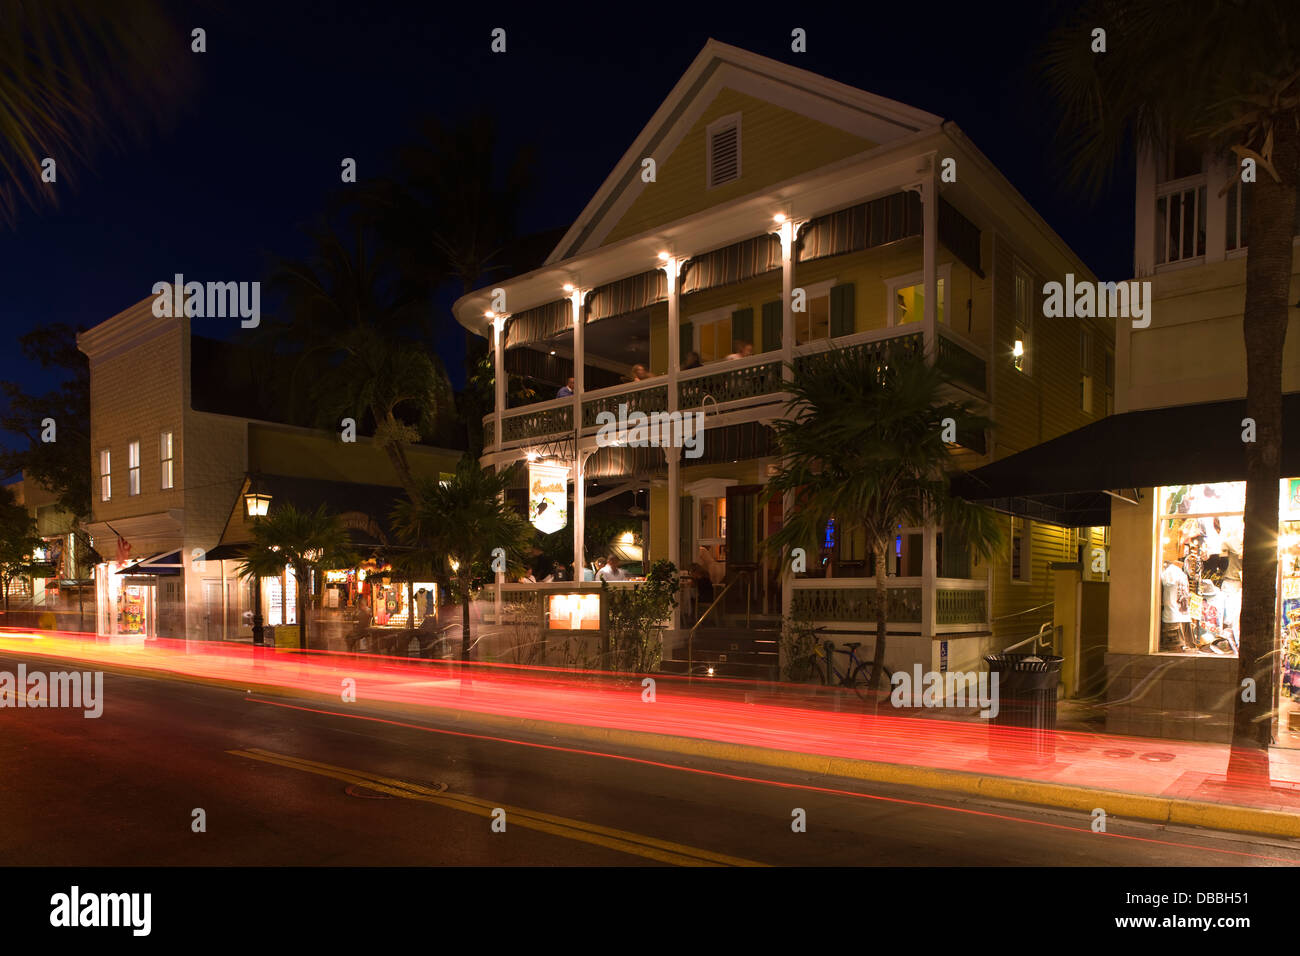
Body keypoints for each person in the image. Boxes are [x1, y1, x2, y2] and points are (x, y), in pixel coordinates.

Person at [1160, 555, 1193, 652]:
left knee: (1175, 650)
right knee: (1177, 650)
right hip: (1176, 615)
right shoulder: (1177, 573)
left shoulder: (1172, 572)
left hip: (1173, 615)